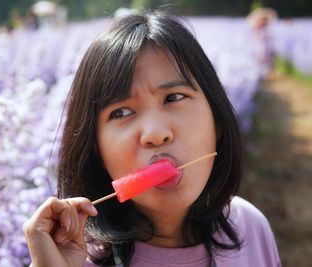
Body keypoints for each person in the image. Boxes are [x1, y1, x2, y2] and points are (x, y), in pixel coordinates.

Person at [23, 10, 281, 267]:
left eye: (174, 98)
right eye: (121, 112)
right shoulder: (72, 261)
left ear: (218, 120)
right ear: (96, 149)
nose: (156, 134)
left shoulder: (250, 227)